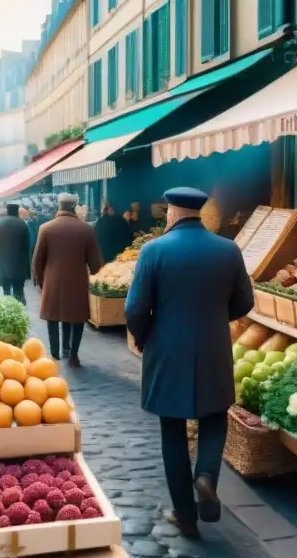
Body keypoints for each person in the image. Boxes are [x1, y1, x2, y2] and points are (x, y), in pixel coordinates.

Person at [125, 187, 254, 539]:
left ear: (171, 212)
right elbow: (244, 302)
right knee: (214, 416)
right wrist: (214, 318)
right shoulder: (228, 249)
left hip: (167, 349)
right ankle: (207, 476)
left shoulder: (153, 250)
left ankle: (185, 514)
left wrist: (144, 335)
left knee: (172, 427)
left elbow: (135, 308)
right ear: (198, 212)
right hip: (213, 346)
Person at [32, 192, 103, 367]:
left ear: (59, 206)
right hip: (77, 281)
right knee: (76, 317)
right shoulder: (86, 229)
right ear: (75, 207)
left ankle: (55, 353)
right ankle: (73, 355)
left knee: (53, 317)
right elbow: (95, 264)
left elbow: (37, 260)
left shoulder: (46, 228)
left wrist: (40, 281)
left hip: (52, 281)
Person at [0, 202, 31, 303]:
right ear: (17, 211)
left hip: (4, 264)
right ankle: (20, 308)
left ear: (7, 210)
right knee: (19, 290)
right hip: (20, 264)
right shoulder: (23, 224)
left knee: (6, 291)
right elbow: (28, 246)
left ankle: (9, 308)